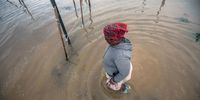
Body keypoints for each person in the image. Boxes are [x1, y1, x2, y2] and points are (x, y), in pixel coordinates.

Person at [103, 22, 133, 93]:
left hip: (120, 74)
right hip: (118, 68)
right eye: (105, 37)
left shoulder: (121, 55)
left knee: (115, 87)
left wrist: (113, 80)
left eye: (109, 39)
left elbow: (124, 72)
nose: (105, 39)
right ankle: (122, 85)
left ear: (117, 39)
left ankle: (125, 89)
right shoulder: (115, 44)